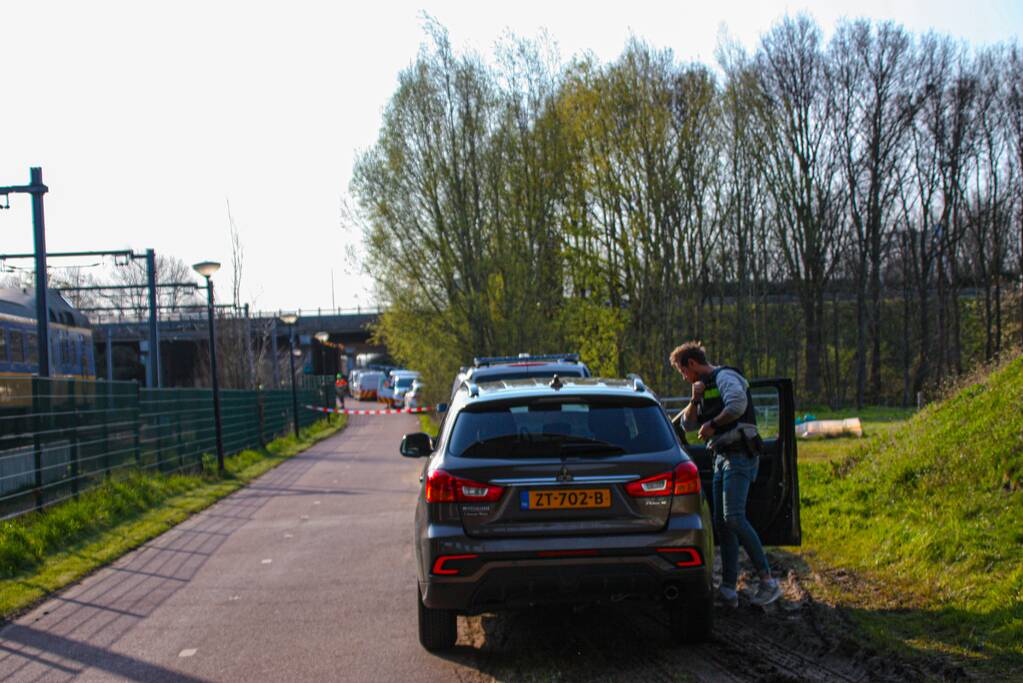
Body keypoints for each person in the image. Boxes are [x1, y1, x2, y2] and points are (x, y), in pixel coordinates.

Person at [670, 341, 782, 608]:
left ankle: (768, 581)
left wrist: (711, 424)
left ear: (692, 365)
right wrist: (694, 400)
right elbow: (687, 424)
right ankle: (729, 590)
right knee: (723, 524)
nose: (684, 378)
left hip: (739, 456)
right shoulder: (703, 387)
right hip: (721, 457)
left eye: (683, 372)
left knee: (734, 517)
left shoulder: (725, 377)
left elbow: (737, 405)